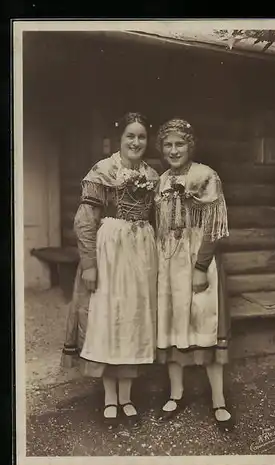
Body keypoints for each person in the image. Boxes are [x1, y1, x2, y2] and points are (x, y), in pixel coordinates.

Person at [61, 112, 159, 427]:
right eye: (130, 136)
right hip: (110, 253)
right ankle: (109, 398)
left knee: (132, 319)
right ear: (120, 138)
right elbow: (85, 222)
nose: (136, 142)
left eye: (141, 137)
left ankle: (127, 396)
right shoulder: (103, 171)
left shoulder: (152, 175)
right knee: (108, 318)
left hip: (140, 252)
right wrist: (89, 264)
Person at [155, 118, 233, 431]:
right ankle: (176, 393)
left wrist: (201, 267)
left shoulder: (205, 176)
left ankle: (218, 399)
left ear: (191, 145)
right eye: (168, 145)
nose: (174, 150)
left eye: (180, 144)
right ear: (161, 149)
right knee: (174, 322)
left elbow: (213, 228)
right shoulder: (161, 181)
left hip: (198, 260)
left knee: (205, 323)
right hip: (170, 263)